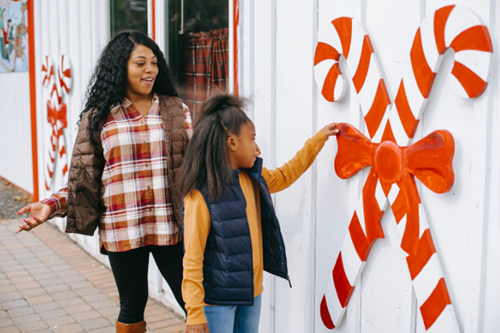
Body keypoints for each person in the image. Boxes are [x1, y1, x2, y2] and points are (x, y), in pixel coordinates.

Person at [16, 30, 190, 333]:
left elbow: (198, 164)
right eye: (140, 63)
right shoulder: (99, 117)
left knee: (193, 302)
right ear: (120, 67)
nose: (150, 70)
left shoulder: (176, 109)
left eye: (154, 62)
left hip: (173, 226)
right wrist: (51, 205)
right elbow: (86, 179)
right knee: (132, 303)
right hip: (123, 228)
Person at [179, 94, 339, 333]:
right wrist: (194, 313)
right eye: (251, 139)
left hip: (253, 294)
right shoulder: (200, 195)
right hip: (217, 301)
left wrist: (317, 140)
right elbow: (192, 258)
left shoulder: (254, 178)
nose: (256, 146)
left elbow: (286, 174)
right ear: (232, 144)